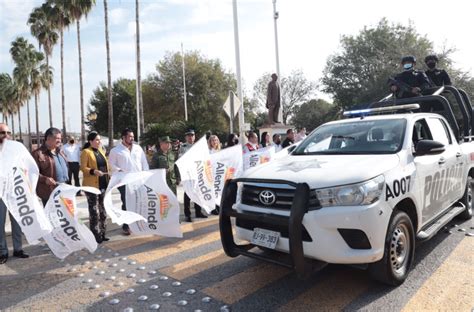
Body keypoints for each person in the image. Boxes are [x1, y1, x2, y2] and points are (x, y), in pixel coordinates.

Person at [109, 128, 149, 235]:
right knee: (126, 204)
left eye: (133, 136)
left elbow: (144, 163)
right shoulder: (116, 150)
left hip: (138, 181)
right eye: (130, 136)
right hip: (124, 182)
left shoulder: (138, 148)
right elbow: (111, 165)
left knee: (139, 202)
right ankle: (126, 226)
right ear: (123, 137)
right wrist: (119, 170)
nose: (132, 138)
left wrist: (146, 176)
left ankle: (137, 223)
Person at [0, 124, 29, 264]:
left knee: (17, 221)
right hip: (0, 193)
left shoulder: (16, 151)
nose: (6, 135)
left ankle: (18, 249)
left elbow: (24, 167)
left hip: (15, 192)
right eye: (2, 132)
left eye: (8, 132)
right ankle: (2, 251)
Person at [80, 131, 109, 244]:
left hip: (103, 185)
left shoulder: (101, 151)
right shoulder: (86, 152)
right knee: (94, 212)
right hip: (91, 186)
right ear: (90, 141)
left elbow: (105, 166)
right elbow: (83, 168)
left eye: (99, 140)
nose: (99, 142)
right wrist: (93, 171)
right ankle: (95, 235)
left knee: (103, 210)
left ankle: (103, 233)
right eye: (96, 140)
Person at [32, 127, 69, 206]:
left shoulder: (60, 151)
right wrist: (45, 179)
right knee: (52, 217)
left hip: (64, 189)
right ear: (48, 139)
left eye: (60, 138)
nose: (59, 140)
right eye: (57, 138)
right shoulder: (38, 154)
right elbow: (32, 173)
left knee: (64, 216)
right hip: (49, 192)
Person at [178, 129, 206, 222]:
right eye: (189, 136)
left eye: (192, 135)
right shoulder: (183, 147)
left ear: (194, 136)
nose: (191, 137)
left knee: (198, 192)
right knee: (187, 194)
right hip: (187, 173)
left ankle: (198, 211)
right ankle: (187, 214)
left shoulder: (198, 146)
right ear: (186, 137)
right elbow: (181, 159)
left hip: (197, 172)